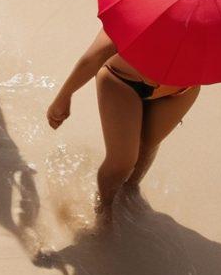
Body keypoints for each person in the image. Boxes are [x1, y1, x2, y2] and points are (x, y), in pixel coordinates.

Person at [46, 29, 200, 222]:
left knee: (146, 147)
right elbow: (96, 55)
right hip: (122, 81)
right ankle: (105, 210)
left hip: (180, 90)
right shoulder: (147, 12)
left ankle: (130, 192)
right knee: (122, 161)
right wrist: (64, 96)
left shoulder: (216, 27)